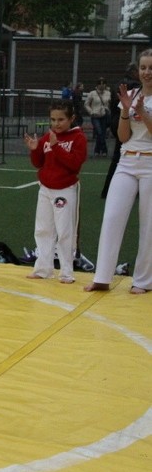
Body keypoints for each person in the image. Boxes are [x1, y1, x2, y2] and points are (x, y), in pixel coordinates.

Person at [85, 49, 152, 295]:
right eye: (144, 68)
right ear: (138, 71)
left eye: (151, 68)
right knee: (112, 217)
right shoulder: (131, 94)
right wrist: (125, 110)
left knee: (149, 225)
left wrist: (143, 113)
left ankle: (143, 281)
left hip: (151, 164)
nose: (147, 72)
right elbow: (123, 137)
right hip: (126, 161)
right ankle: (102, 277)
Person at [23, 100, 87, 284]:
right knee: (43, 229)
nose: (56, 124)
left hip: (65, 189)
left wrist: (57, 146)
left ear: (71, 119)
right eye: (53, 119)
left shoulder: (78, 138)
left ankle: (67, 272)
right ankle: (43, 268)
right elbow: (38, 163)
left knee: (65, 231)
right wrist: (35, 150)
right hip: (45, 189)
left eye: (61, 119)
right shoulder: (48, 136)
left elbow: (74, 164)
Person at [102, 63, 140, 198]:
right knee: (123, 156)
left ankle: (107, 190)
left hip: (115, 120)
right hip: (125, 121)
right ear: (135, 72)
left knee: (118, 156)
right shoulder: (135, 86)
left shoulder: (118, 84)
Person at [84, 77, 111, 157]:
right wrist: (91, 112)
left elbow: (110, 103)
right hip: (95, 115)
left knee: (102, 133)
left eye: (103, 83)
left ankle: (97, 151)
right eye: (100, 83)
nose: (102, 85)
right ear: (97, 85)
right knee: (99, 132)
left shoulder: (108, 93)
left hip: (104, 115)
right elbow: (86, 104)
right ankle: (104, 150)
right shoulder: (92, 93)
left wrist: (108, 109)